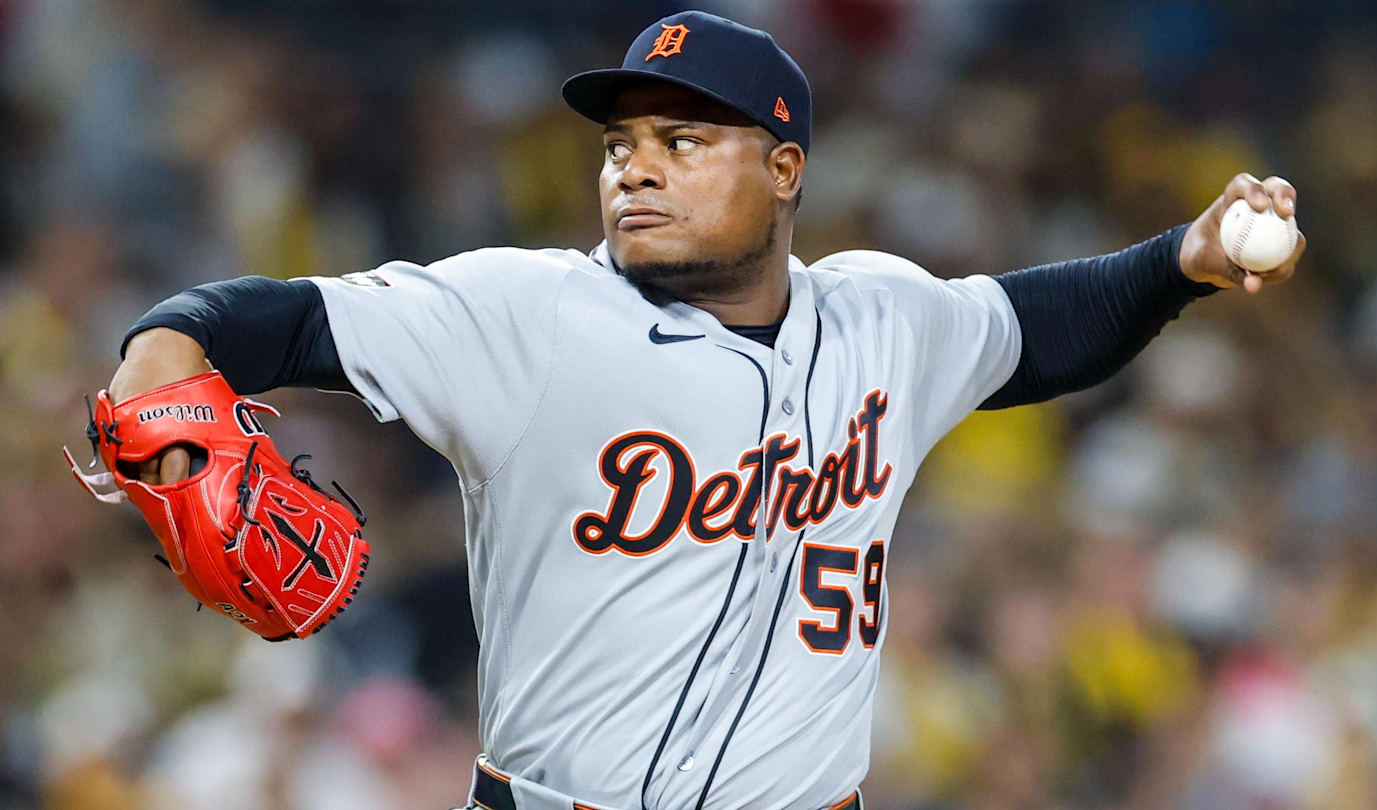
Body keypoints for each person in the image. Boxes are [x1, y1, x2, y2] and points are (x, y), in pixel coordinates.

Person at [103, 10, 1304, 810]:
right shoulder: (528, 315)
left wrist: (1182, 262)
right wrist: (163, 353)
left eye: (682, 140)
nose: (635, 167)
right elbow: (274, 319)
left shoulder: (881, 317)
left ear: (785, 169)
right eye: (621, 144)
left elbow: (1039, 329)